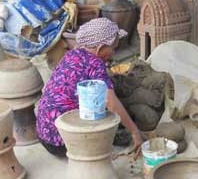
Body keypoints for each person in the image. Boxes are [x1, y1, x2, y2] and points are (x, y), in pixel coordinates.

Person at [36, 18, 143, 157]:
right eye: (113, 48)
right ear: (100, 49)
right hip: (65, 143)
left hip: (44, 135)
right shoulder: (95, 63)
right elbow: (111, 102)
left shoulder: (71, 55)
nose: (113, 53)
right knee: (106, 110)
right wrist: (135, 132)